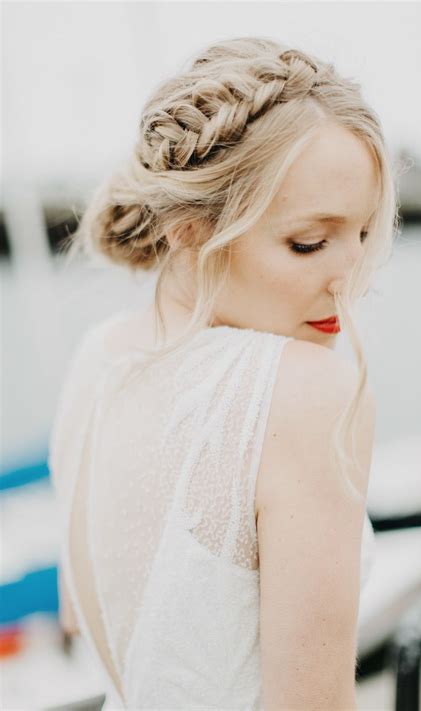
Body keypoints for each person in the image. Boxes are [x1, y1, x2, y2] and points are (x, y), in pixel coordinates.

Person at [49, 36, 399, 710]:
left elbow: (77, 613)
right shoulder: (308, 392)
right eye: (308, 243)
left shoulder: (97, 359)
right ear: (187, 230)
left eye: (360, 235)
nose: (349, 280)